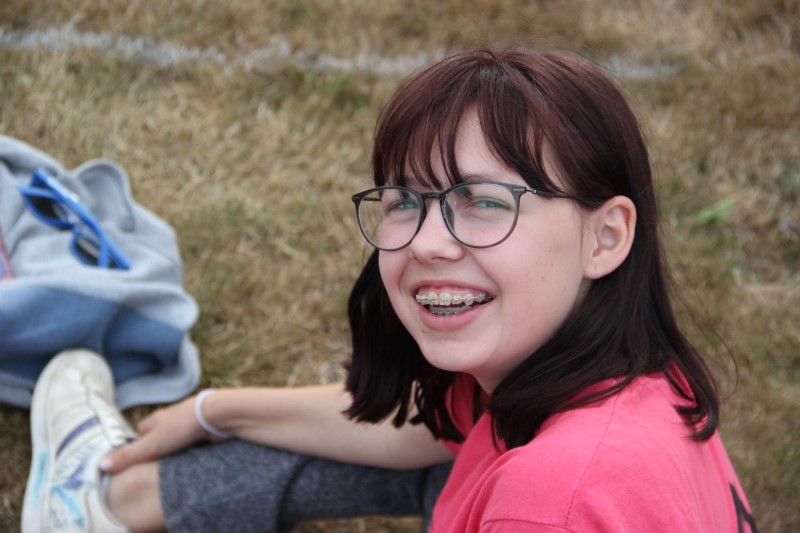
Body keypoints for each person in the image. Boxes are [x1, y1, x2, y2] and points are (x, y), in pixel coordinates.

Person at [21, 48, 757, 533]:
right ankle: (114, 500)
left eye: (485, 202)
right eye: (406, 201)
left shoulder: (550, 501)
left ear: (606, 236)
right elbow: (415, 428)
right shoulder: (615, 364)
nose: (428, 242)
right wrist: (215, 410)